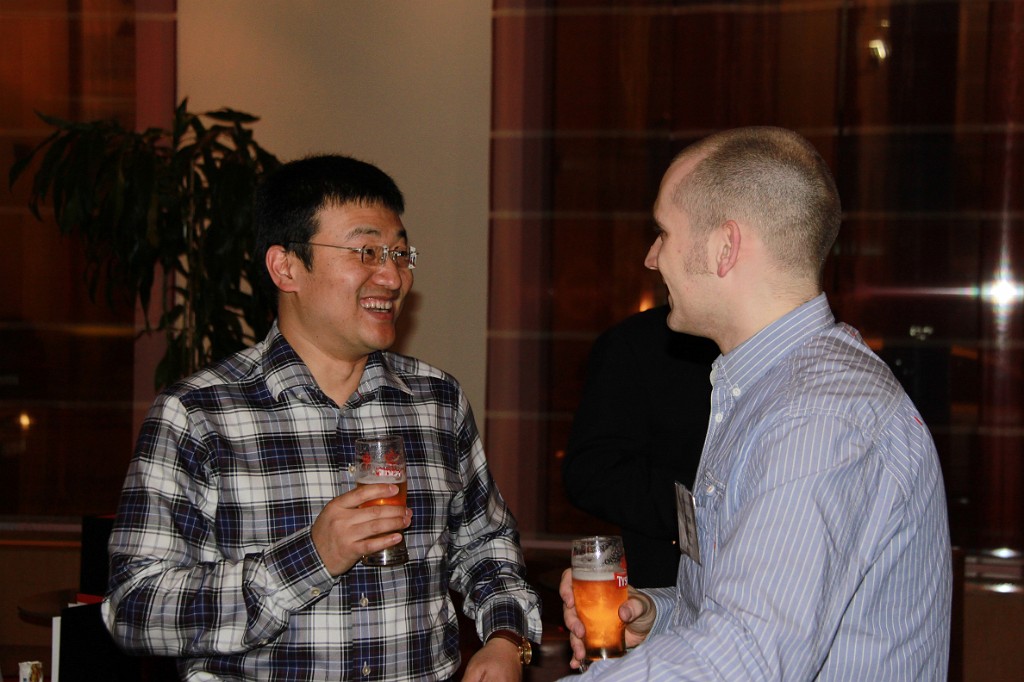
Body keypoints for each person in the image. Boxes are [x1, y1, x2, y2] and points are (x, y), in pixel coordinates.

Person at [102, 154, 542, 681]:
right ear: (286, 267)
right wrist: (312, 557)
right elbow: (134, 609)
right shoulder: (199, 414)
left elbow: (487, 545)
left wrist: (506, 640)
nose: (393, 276)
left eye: (400, 254)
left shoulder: (436, 402)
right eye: (367, 252)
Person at [558, 127, 952, 680]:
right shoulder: (767, 391)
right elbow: (742, 619)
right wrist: (660, 617)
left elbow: (746, 659)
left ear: (725, 247)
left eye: (664, 233)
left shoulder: (817, 414)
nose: (651, 258)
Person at [562, 304, 718, 588]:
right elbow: (590, 470)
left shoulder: (787, 345)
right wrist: (702, 512)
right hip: (670, 587)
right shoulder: (639, 342)